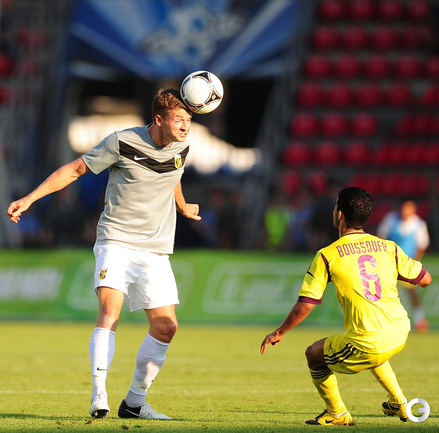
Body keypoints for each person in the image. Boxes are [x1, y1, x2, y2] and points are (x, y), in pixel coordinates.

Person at [8, 88, 201, 420]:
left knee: (166, 327)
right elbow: (74, 170)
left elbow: (173, 173)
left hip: (155, 249)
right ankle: (99, 395)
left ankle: (135, 403)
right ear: (159, 119)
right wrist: (29, 199)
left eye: (189, 120)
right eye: (179, 120)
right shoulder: (121, 141)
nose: (186, 127)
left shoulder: (182, 146)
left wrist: (182, 205)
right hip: (117, 241)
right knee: (110, 313)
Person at [260, 187, 432, 426]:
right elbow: (425, 279)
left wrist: (279, 332)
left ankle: (337, 413)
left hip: (369, 341)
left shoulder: (327, 255)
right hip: (401, 331)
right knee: (374, 348)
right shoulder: (389, 247)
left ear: (339, 214)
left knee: (314, 355)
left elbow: (306, 303)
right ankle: (399, 402)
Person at [377, 199, 430, 331]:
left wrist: (414, 262)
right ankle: (380, 320)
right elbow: (380, 238)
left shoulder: (418, 224)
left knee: (412, 293)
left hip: (406, 264)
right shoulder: (391, 219)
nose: (405, 211)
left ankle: (419, 320)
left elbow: (422, 245)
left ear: (413, 210)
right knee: (382, 291)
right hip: (388, 263)